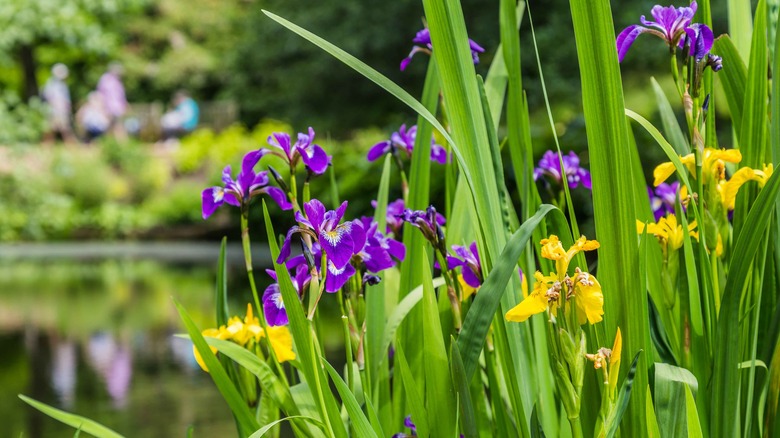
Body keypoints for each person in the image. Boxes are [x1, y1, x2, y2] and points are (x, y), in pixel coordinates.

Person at [41, 63, 76, 143]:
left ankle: (71, 146)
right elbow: (49, 97)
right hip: (55, 110)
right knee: (53, 130)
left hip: (61, 110)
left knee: (64, 130)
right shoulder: (51, 83)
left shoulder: (62, 84)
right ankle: (46, 146)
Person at [97, 62, 128, 137]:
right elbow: (101, 94)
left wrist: (124, 105)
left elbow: (121, 96)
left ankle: (115, 142)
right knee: (112, 125)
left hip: (117, 108)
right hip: (109, 107)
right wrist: (102, 107)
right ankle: (117, 142)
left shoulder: (117, 81)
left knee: (115, 125)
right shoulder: (105, 79)